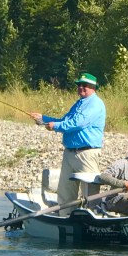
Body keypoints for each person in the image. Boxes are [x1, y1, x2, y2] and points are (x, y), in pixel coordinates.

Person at [30, 72, 105, 215]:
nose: (81, 88)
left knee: (90, 195)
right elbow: (64, 120)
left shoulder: (96, 104)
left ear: (93, 87)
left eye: (85, 85)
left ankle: (92, 220)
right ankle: (65, 218)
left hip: (87, 153)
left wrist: (55, 126)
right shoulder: (78, 104)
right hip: (70, 152)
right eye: (79, 85)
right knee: (65, 193)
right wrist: (43, 119)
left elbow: (78, 123)